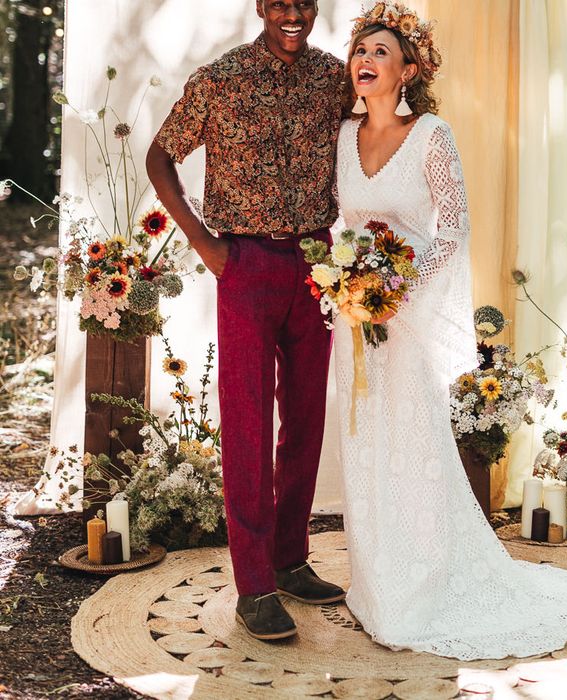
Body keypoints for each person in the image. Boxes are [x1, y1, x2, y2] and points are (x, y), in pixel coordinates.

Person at [333, 2, 567, 660]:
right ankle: (375, 583)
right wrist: (346, 285)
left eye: (381, 52)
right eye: (361, 50)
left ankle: (422, 586)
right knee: (363, 446)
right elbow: (339, 224)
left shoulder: (432, 134)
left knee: (413, 447)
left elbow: (454, 226)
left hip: (404, 319)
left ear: (408, 70)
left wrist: (399, 291)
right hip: (354, 322)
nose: (366, 60)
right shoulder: (340, 136)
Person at [145, 0, 346, 641]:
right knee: (249, 422)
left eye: (304, 4)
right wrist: (205, 242)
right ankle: (254, 585)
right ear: (261, 8)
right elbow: (159, 155)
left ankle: (290, 560)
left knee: (308, 417)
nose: (294, 14)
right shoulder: (220, 79)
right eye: (280, 3)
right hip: (247, 264)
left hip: (317, 262)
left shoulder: (335, 77)